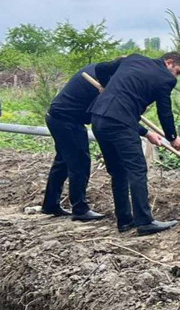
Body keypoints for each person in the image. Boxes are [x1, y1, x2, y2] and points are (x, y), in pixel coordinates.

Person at [87, 52, 180, 236]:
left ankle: (124, 221)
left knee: (118, 172)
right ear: (169, 62)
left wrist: (106, 87)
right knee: (137, 169)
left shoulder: (133, 58)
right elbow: (165, 111)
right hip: (121, 123)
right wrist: (172, 137)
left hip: (99, 117)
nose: (176, 77)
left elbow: (100, 68)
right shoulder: (166, 79)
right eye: (178, 72)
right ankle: (145, 222)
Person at [41, 57, 126, 221]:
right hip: (66, 120)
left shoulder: (99, 72)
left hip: (57, 117)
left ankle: (50, 204)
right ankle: (80, 209)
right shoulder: (97, 80)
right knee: (80, 162)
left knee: (63, 162)